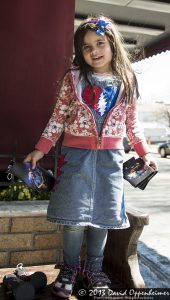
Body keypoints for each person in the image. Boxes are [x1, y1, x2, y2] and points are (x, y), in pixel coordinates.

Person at [24, 15, 158, 298]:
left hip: (111, 159)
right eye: (86, 47)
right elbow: (58, 118)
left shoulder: (127, 80)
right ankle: (71, 268)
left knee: (103, 218)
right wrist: (41, 148)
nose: (94, 51)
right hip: (75, 158)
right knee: (73, 219)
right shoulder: (73, 78)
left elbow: (132, 123)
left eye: (99, 43)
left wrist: (145, 152)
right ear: (79, 52)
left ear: (112, 45)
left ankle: (94, 269)